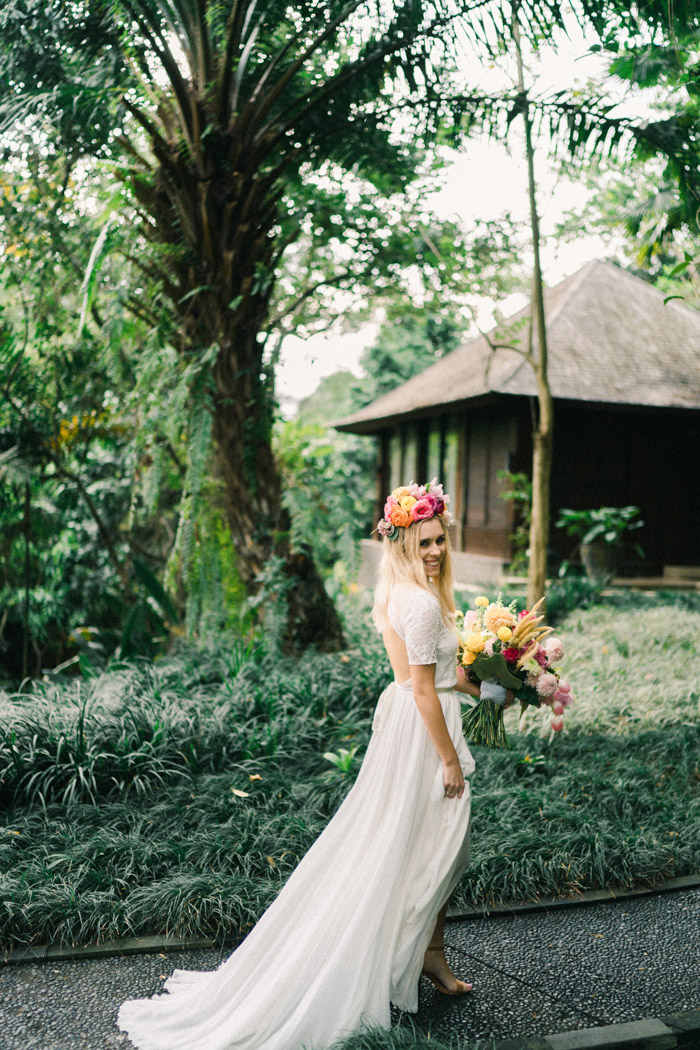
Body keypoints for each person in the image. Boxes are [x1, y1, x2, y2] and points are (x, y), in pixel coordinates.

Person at [118, 478, 504, 1050]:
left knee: (428, 844)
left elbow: (441, 679)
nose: (434, 551)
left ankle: (429, 956)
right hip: (423, 733)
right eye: (422, 542)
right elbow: (423, 691)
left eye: (439, 540)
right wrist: (449, 759)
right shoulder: (419, 602)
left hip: (411, 720)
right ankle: (419, 955)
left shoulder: (408, 593)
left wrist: (496, 688)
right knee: (439, 846)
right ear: (399, 543)